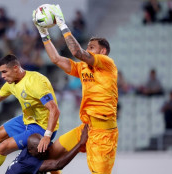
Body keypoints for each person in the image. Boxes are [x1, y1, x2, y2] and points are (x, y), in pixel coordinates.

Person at [33, 5, 118, 174]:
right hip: (86, 127)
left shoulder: (107, 64)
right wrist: (44, 34)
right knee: (50, 154)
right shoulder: (83, 68)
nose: (87, 50)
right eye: (88, 47)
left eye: (91, 47)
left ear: (102, 51)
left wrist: (62, 24)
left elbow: (77, 52)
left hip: (104, 133)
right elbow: (56, 59)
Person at [6, 124, 88, 174]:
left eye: (45, 148)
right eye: (41, 151)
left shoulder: (37, 148)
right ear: (30, 150)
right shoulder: (28, 162)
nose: (45, 152)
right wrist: (80, 144)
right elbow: (57, 165)